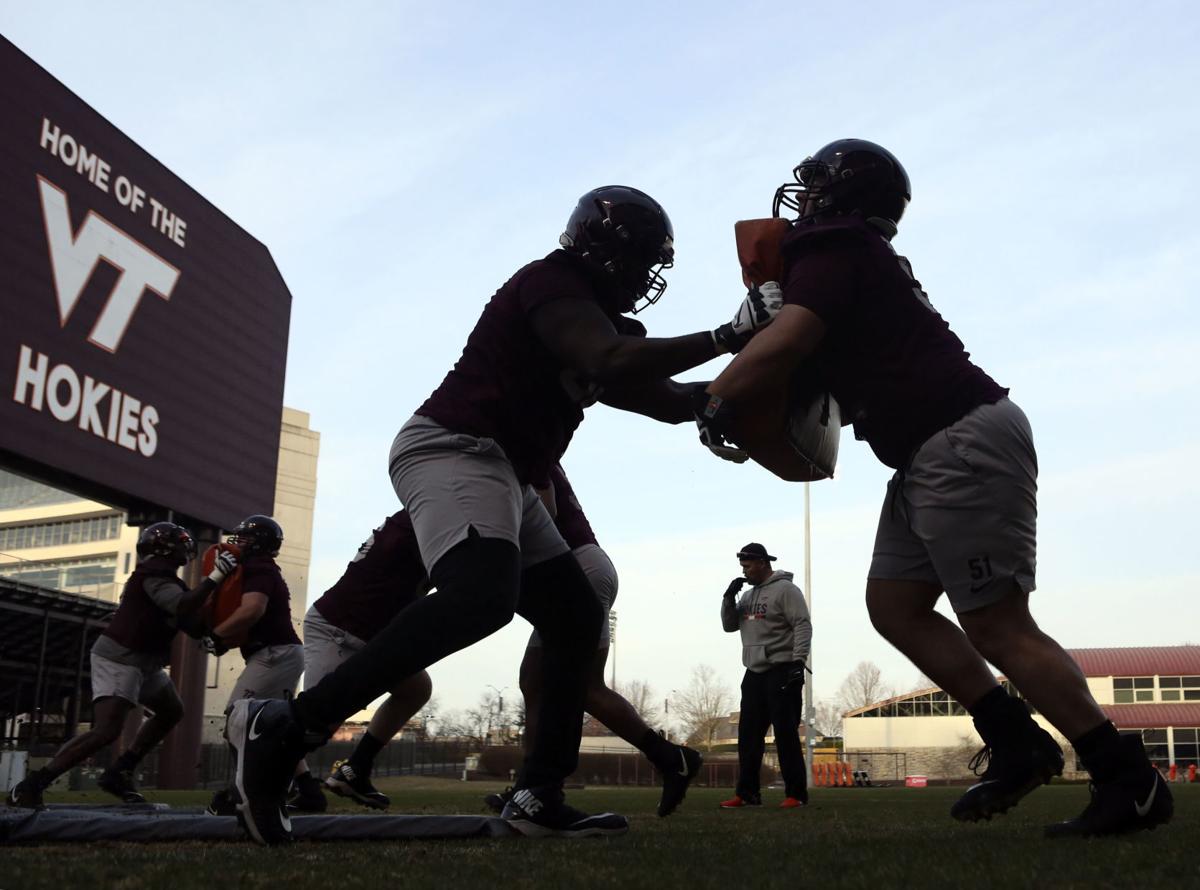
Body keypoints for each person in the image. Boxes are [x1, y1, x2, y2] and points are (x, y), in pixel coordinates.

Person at [224, 184, 782, 845]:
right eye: (641, 263)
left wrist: (736, 394)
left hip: (505, 472)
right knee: (481, 596)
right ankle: (285, 729)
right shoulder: (551, 284)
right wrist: (729, 334)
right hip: (453, 443)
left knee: (575, 615)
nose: (645, 280)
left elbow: (662, 397)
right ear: (607, 252)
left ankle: (539, 796)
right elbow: (611, 360)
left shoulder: (599, 321)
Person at [692, 139, 1173, 837]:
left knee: (1000, 624)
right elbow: (819, 369)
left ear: (839, 195)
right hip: (928, 447)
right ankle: (1016, 740)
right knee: (896, 605)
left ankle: (1128, 780)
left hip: (958, 436)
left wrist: (717, 396)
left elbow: (794, 339)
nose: (803, 199)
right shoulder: (850, 254)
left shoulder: (836, 244)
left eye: (816, 185)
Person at [486, 463, 703, 818]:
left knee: (583, 686)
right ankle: (531, 784)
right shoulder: (523, 441)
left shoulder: (518, 440)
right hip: (575, 566)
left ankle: (536, 787)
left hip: (574, 568)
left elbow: (546, 507)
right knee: (536, 681)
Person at [5, 522, 237, 808]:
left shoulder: (166, 579)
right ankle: (32, 784)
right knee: (106, 730)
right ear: (164, 547)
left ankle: (121, 770)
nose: (185, 546)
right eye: (180, 541)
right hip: (120, 658)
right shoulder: (152, 576)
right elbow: (181, 606)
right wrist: (216, 576)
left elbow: (192, 621)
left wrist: (218, 630)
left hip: (144, 663)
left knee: (171, 711)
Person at [302, 512, 433, 809]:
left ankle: (355, 769)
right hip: (340, 628)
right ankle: (258, 784)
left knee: (416, 688)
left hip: (369, 633)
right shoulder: (421, 523)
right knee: (316, 725)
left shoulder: (422, 514)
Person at [204, 515, 315, 814]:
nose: (237, 541)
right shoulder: (259, 568)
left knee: (236, 722)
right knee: (273, 729)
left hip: (274, 655)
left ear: (260, 542)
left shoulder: (258, 568)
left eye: (244, 537)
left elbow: (252, 610)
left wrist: (216, 634)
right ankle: (308, 790)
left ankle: (242, 793)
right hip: (277, 653)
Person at [717, 543, 810, 809]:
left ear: (761, 563)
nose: (744, 572)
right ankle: (747, 793)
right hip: (754, 673)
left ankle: (796, 794)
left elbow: (802, 625)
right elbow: (729, 626)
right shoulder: (746, 597)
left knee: (785, 735)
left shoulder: (786, 590)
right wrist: (728, 600)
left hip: (782, 669)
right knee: (748, 737)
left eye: (747, 567)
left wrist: (798, 661)